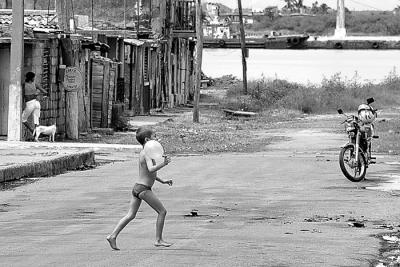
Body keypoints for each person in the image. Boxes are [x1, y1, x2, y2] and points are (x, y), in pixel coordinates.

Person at [107, 127, 173, 250]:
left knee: (130, 215)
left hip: (137, 188)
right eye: (154, 136)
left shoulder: (144, 152)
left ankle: (112, 236)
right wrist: (163, 164)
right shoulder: (147, 153)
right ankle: (158, 240)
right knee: (162, 212)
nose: (156, 139)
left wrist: (163, 181)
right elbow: (151, 169)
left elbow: (149, 174)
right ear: (147, 139)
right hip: (143, 189)